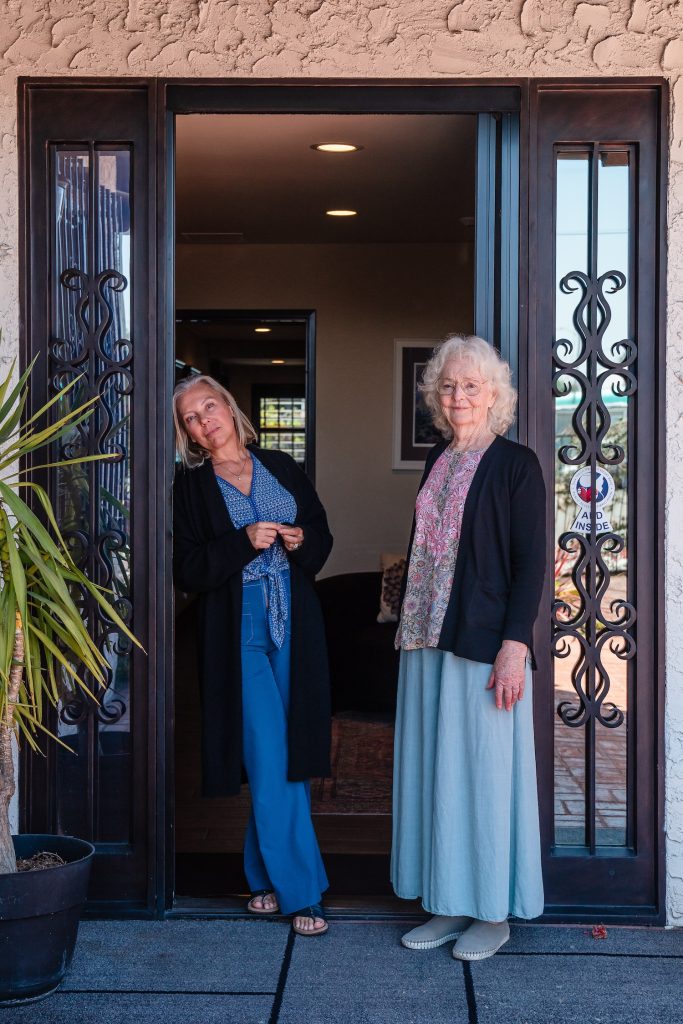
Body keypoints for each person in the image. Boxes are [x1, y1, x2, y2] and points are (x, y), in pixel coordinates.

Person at [391, 334, 546, 962]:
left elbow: (530, 563)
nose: (458, 395)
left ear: (493, 395)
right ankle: (450, 901)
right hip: (427, 635)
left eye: (471, 385)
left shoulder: (517, 464)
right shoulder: (438, 458)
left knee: (484, 776)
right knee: (438, 772)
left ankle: (493, 911)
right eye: (449, 386)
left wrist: (515, 645)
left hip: (484, 643)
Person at [172, 375, 332, 936]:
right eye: (190, 417)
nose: (203, 420)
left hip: (296, 620)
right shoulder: (190, 487)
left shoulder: (283, 466)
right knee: (269, 751)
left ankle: (262, 877)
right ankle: (302, 891)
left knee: (291, 746)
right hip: (236, 629)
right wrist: (244, 542)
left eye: (207, 407)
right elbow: (186, 568)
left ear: (229, 407)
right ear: (186, 432)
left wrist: (299, 539)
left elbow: (321, 532)